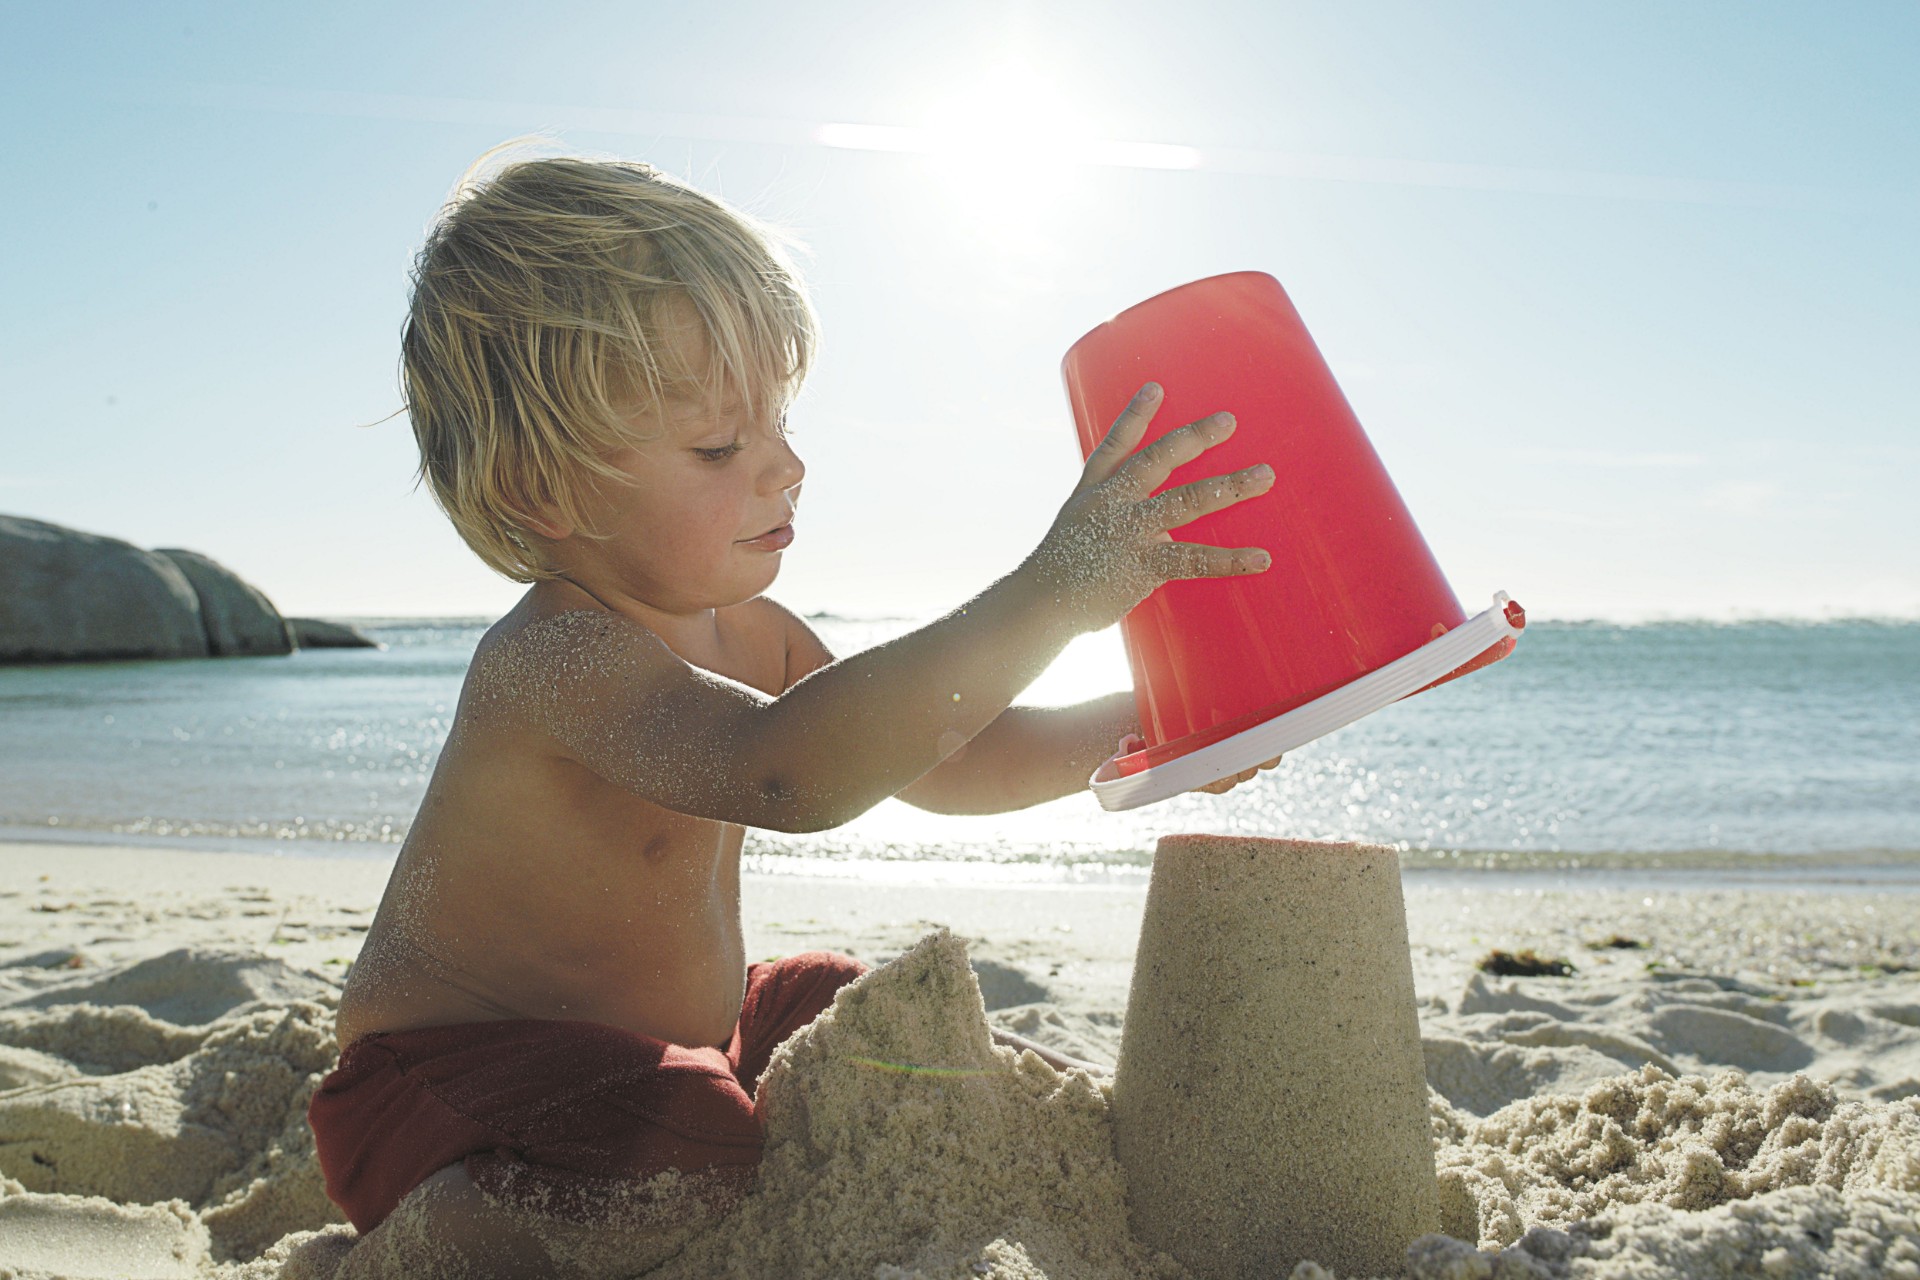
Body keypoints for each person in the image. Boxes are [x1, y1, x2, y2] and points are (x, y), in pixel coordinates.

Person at [307, 143, 1278, 1276]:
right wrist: (1049, 594)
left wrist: (1156, 720)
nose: (785, 467)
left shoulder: (755, 632)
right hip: (451, 1085)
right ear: (544, 491)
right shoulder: (555, 654)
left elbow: (955, 758)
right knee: (695, 1140)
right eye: (720, 445)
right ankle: (414, 1247)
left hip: (669, 1045)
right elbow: (787, 774)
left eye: (776, 425)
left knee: (865, 1007)